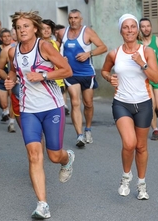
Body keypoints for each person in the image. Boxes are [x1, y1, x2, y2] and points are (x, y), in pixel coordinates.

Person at [5, 11, 75, 219]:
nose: (22, 30)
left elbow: (67, 70)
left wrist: (42, 75)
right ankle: (42, 204)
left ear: (35, 28)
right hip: (28, 110)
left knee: (54, 155)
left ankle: (67, 158)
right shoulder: (12, 52)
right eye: (18, 27)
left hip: (52, 106)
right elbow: (12, 70)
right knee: (34, 155)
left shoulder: (44, 47)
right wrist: (10, 80)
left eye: (26, 26)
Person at [101, 14, 158, 200]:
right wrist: (110, 78)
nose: (130, 30)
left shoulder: (146, 52)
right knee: (129, 143)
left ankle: (141, 184)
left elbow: (156, 78)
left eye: (133, 26)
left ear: (138, 30)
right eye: (126, 27)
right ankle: (126, 177)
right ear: (121, 31)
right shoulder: (114, 53)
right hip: (122, 103)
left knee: (141, 147)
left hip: (143, 103)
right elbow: (104, 70)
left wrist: (142, 64)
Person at [56, 9, 107, 148]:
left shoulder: (87, 32)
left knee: (88, 103)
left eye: (76, 18)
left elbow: (103, 47)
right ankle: (79, 135)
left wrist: (88, 54)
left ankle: (88, 129)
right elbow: (55, 50)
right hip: (71, 74)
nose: (73, 20)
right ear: (68, 19)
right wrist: (61, 58)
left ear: (81, 19)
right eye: (71, 18)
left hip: (86, 73)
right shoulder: (62, 33)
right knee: (75, 102)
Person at [41, 19, 70, 116]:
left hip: (57, 77)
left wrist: (63, 60)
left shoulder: (55, 43)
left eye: (48, 28)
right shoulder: (38, 44)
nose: (46, 31)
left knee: (57, 107)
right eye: (43, 28)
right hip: (44, 77)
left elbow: (59, 57)